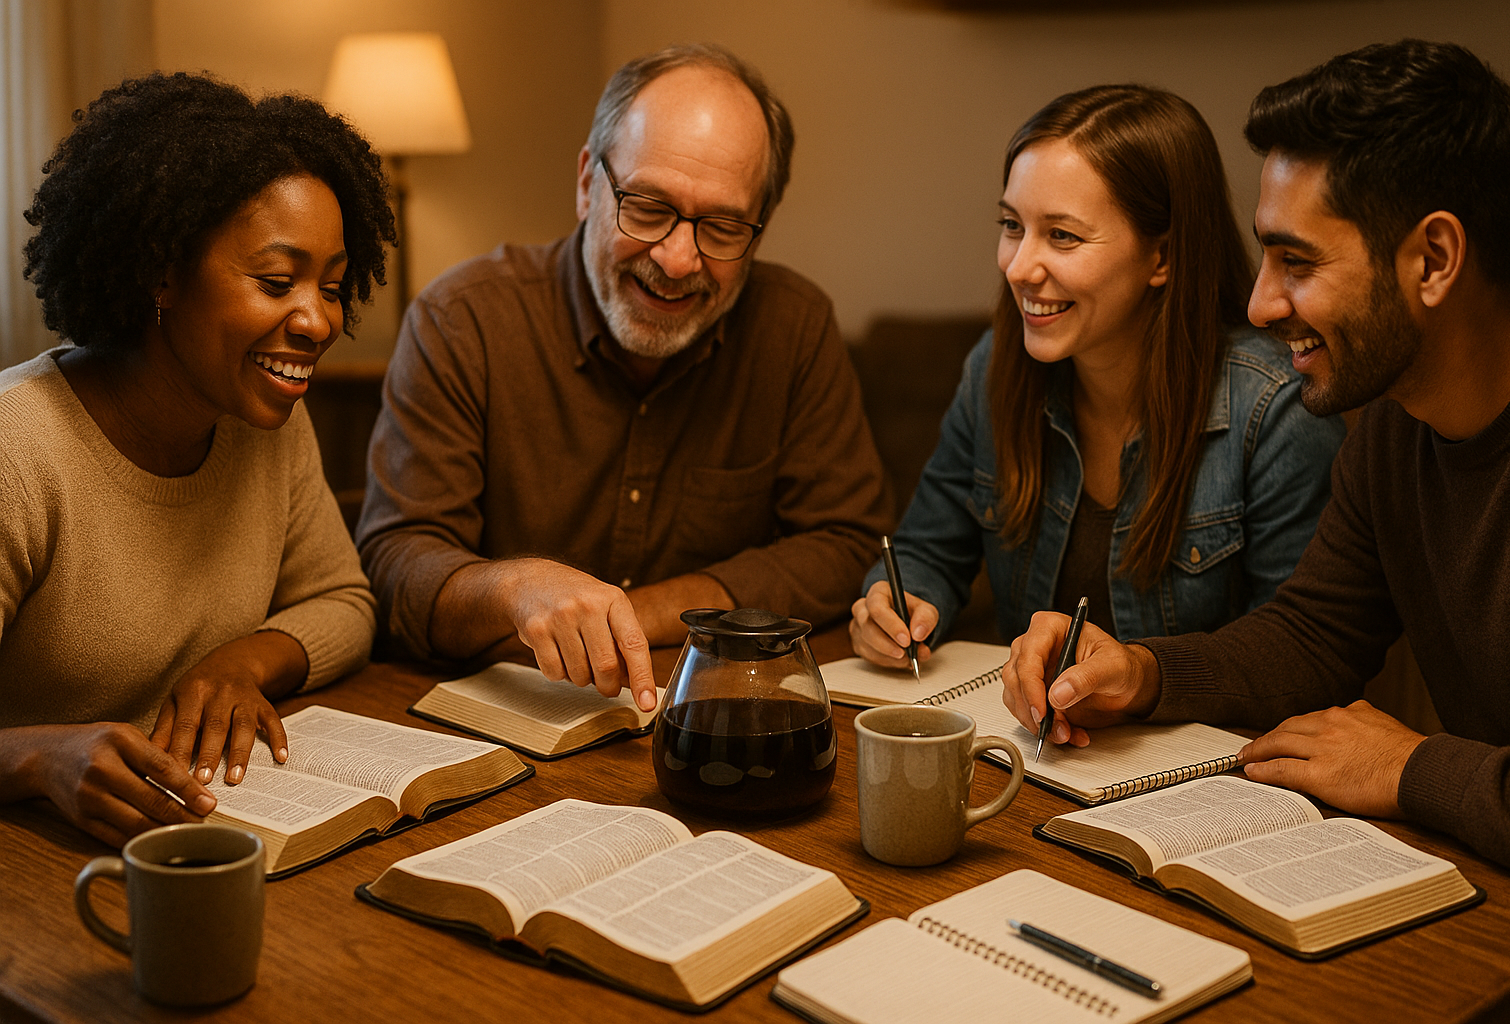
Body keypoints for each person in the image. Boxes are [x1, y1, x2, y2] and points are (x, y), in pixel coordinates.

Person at [1005, 40, 1510, 879]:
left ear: (1433, 260)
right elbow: (1315, 636)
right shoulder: (1398, 427)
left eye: (1298, 260)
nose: (1258, 300)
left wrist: (1414, 767)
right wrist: (1141, 672)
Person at [356, 44, 892, 709]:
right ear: (588, 183)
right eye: (646, 206)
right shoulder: (461, 321)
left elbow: (846, 543)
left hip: (708, 716)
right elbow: (396, 562)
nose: (675, 258)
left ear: (760, 229)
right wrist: (516, 589)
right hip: (504, 719)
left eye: (722, 226)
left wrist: (641, 614)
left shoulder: (796, 328)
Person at [0, 72, 392, 847]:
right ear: (162, 272)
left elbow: (345, 603)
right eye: (277, 281)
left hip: (191, 836)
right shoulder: (18, 451)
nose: (317, 320)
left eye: (334, 286)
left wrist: (242, 664)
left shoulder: (267, 418)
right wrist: (37, 755)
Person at [849, 86, 1344, 671]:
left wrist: (1144, 682)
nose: (1019, 267)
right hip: (1029, 742)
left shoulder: (1275, 410)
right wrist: (894, 602)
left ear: (1162, 258)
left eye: (1062, 235)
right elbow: (927, 549)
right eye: (1012, 225)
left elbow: (1298, 655)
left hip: (1200, 756)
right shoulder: (996, 366)